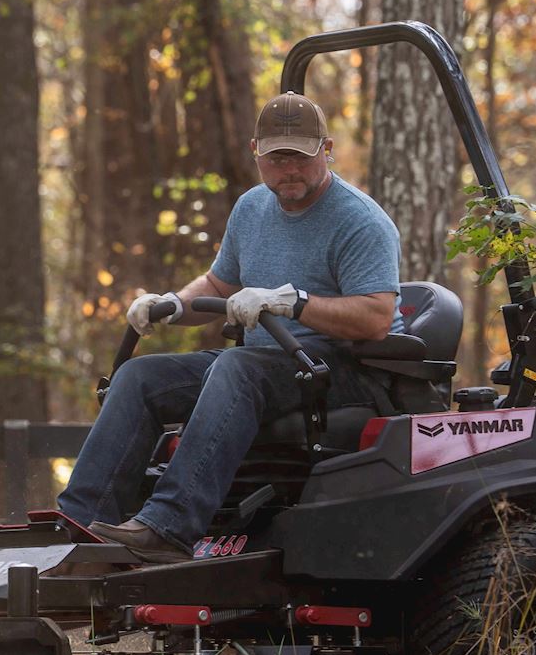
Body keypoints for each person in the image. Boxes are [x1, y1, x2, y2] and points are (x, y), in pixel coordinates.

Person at [57, 91, 403, 562]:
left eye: (300, 158)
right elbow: (220, 284)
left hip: (340, 369)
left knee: (237, 369)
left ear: (327, 149)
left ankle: (168, 527)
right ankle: (78, 526)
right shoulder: (251, 209)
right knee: (140, 377)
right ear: (254, 151)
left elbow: (377, 318)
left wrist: (294, 302)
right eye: (276, 160)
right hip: (266, 364)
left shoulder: (359, 221)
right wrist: (174, 304)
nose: (289, 172)